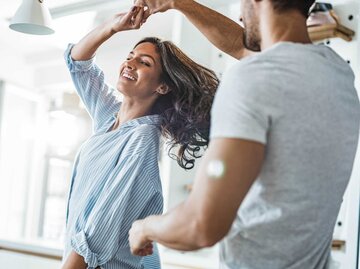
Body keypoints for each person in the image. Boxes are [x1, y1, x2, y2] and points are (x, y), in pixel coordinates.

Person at [129, 0, 360, 268]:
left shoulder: (252, 78)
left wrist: (144, 228)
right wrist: (177, 3)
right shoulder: (336, 72)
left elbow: (200, 225)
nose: (239, 13)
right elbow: (243, 46)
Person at [61, 5, 219, 269]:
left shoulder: (142, 141)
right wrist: (113, 26)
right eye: (131, 55)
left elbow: (95, 236)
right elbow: (78, 63)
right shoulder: (108, 116)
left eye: (144, 63)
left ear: (162, 86)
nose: (130, 63)